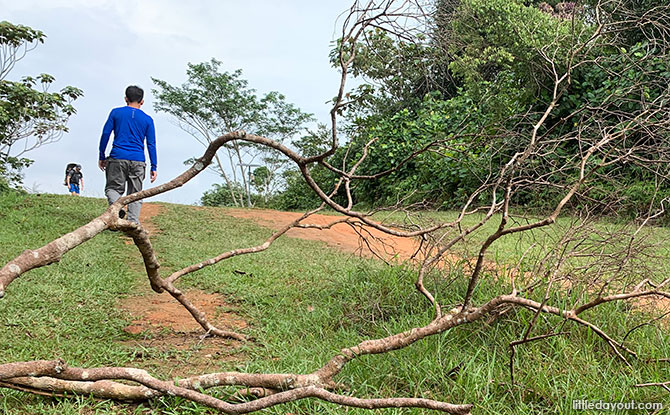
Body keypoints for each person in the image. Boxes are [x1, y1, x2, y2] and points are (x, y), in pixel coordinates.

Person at [98, 85, 157, 223]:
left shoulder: (116, 113)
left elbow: (106, 134)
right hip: (138, 160)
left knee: (113, 188)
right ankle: (132, 222)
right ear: (142, 101)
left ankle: (117, 210)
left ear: (125, 98)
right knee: (135, 194)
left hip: (117, 157)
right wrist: (154, 166)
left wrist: (101, 155)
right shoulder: (148, 119)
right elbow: (151, 144)